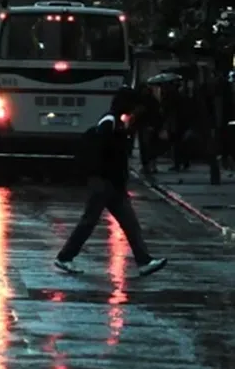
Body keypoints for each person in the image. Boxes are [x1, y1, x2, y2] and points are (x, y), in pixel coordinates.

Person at [54, 86, 167, 276]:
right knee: (89, 221)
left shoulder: (118, 123)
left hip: (112, 182)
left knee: (129, 223)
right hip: (104, 182)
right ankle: (64, 257)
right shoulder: (110, 123)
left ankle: (144, 261)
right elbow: (104, 152)